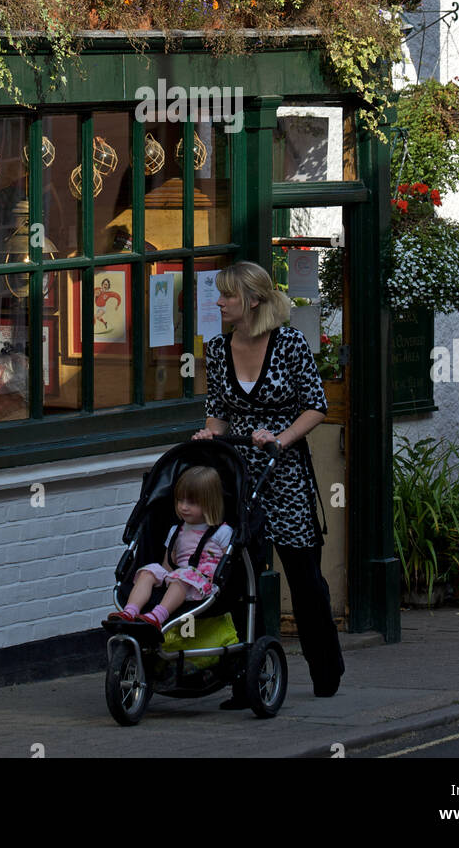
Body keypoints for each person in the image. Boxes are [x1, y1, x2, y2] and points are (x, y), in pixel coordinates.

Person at [194, 260, 345, 699]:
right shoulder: (218, 350)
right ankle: (246, 680)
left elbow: (316, 406)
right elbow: (219, 413)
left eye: (228, 295)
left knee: (304, 578)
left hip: (284, 473)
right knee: (239, 578)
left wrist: (279, 439)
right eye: (219, 294)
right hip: (239, 476)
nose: (219, 302)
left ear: (254, 300)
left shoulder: (290, 344)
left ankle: (325, 673)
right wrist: (210, 434)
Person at [106, 466, 232, 629]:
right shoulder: (176, 530)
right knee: (148, 571)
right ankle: (130, 612)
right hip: (178, 576)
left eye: (191, 502)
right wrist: (163, 575)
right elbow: (168, 562)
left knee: (182, 577)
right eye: (180, 500)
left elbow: (228, 562)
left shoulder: (222, 532)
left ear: (210, 503)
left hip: (203, 584)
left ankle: (157, 616)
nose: (184, 507)